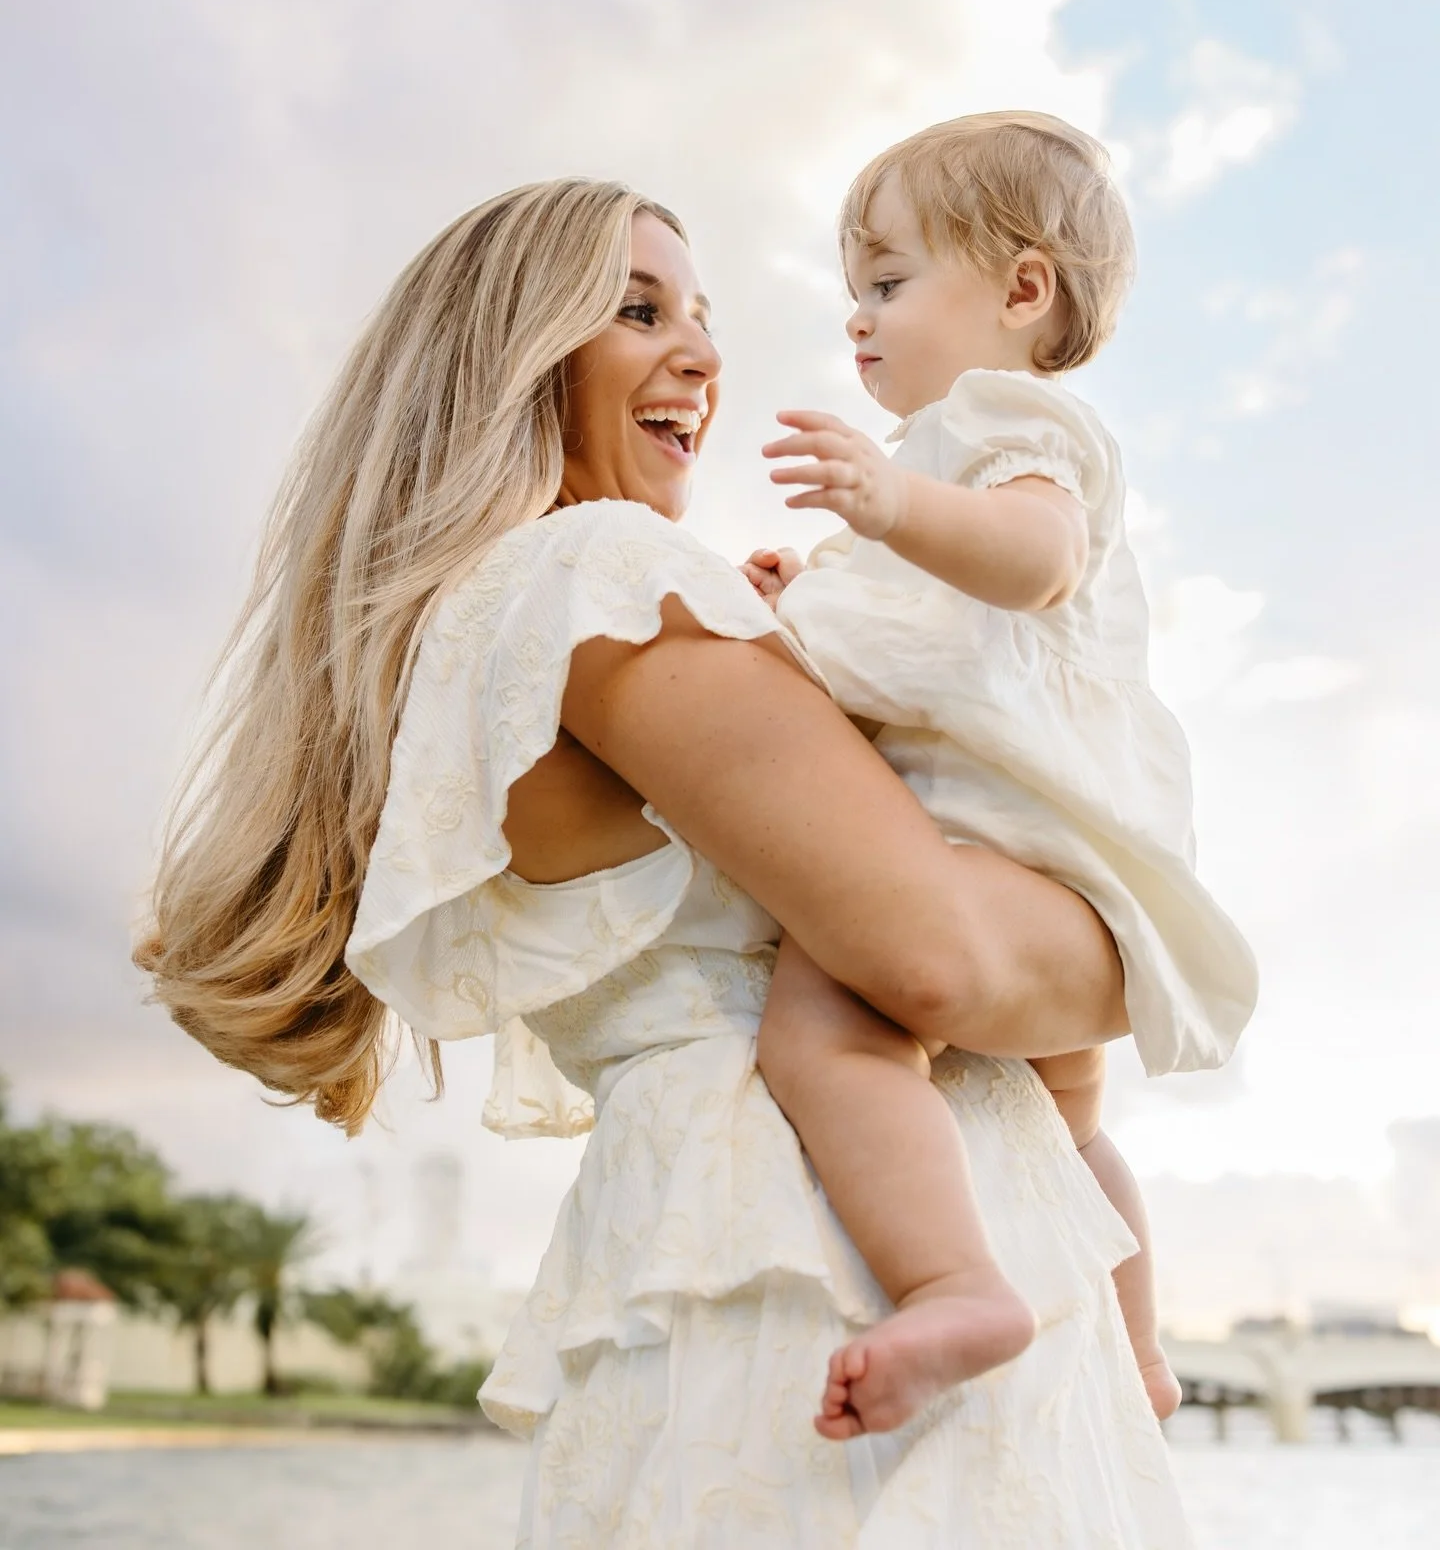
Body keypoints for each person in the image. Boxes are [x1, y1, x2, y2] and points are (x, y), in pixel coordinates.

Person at [138, 178, 1192, 1546]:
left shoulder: (505, 627)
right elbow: (937, 957)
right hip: (827, 1270)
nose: (701, 353)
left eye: (701, 315)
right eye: (637, 311)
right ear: (507, 364)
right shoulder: (603, 571)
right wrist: (1156, 952)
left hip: (735, 1257)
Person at [742, 111, 1258, 1442]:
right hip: (1054, 866)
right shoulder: (944, 470)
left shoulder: (1002, 424)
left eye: (891, 283)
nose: (859, 321)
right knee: (1076, 1132)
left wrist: (883, 508)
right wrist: (810, 590)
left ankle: (955, 1281)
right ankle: (1141, 1357)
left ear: (1023, 291)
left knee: (827, 1029)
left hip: (998, 844)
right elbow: (924, 637)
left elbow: (1032, 558)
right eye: (853, 293)